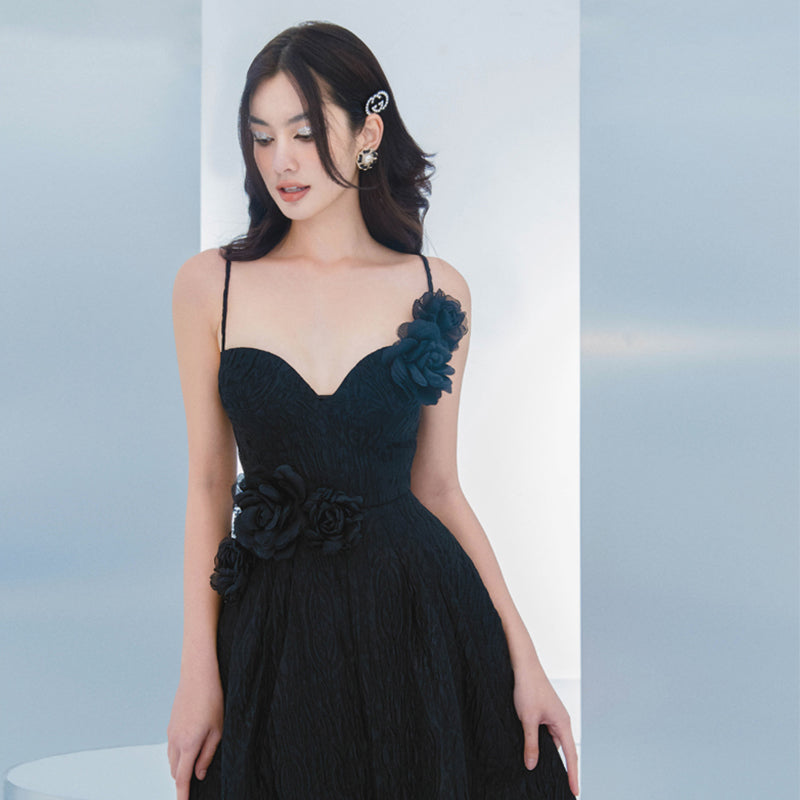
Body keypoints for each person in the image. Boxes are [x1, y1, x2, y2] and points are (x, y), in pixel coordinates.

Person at [166, 20, 579, 800]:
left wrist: (526, 661)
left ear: (368, 133)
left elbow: (439, 488)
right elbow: (209, 486)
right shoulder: (208, 285)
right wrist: (197, 672)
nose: (281, 160)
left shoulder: (436, 288)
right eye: (261, 137)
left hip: (421, 624)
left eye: (304, 132)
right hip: (275, 636)